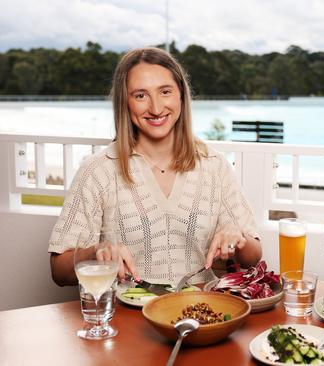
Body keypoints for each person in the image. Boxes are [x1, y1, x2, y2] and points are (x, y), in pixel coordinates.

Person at [49, 47, 262, 286]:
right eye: (140, 95)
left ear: (181, 95)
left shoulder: (214, 166)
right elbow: (58, 270)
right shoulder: (98, 171)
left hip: (202, 313)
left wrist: (239, 238)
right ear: (125, 103)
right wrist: (97, 252)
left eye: (165, 92)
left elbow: (253, 258)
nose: (156, 108)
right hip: (127, 316)